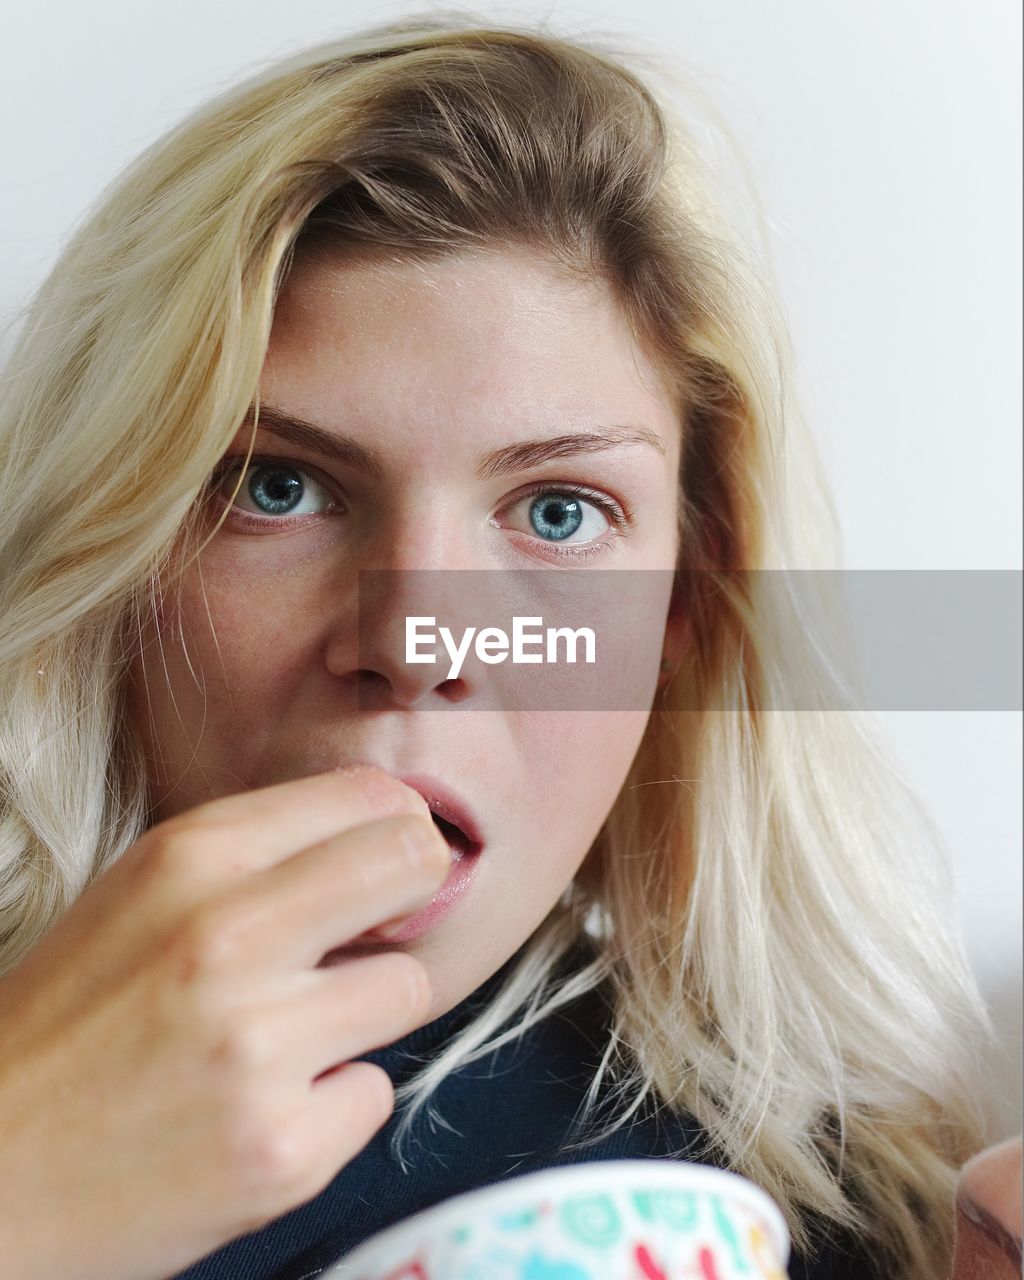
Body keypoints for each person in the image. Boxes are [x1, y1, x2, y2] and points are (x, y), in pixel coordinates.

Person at [0, 13, 997, 1280]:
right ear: (113, 548)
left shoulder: (837, 1208)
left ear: (682, 614)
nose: (417, 646)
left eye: (558, 514)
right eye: (277, 487)